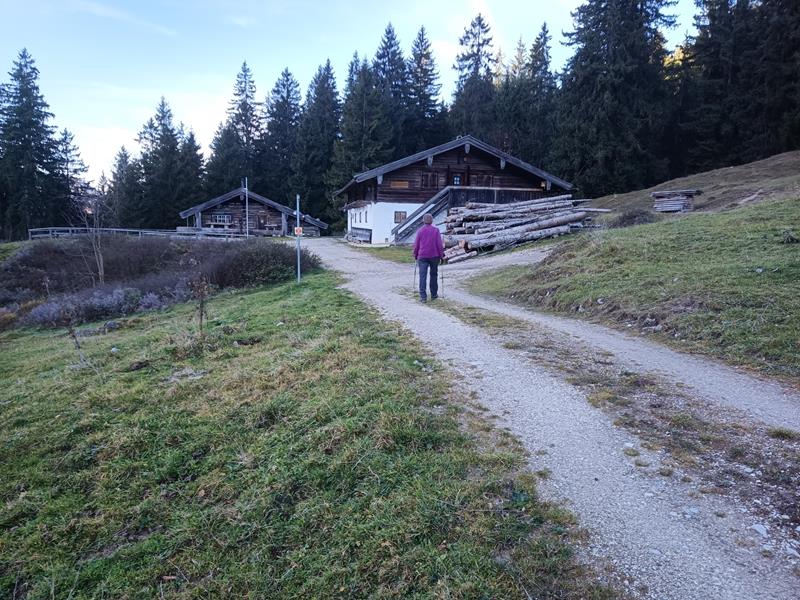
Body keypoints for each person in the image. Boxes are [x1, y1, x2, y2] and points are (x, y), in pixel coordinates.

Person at [412, 213, 444, 302]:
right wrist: (441, 255)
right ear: (432, 221)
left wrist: (415, 255)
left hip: (422, 256)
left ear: (423, 221)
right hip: (434, 256)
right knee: (433, 275)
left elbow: (416, 245)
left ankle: (423, 297)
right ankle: (434, 295)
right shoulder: (436, 230)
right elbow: (439, 244)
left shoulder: (420, 231)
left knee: (422, 276)